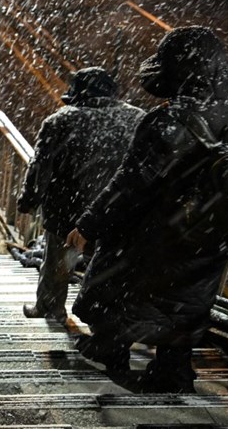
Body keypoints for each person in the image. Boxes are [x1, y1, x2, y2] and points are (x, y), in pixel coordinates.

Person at [66, 27, 228, 393]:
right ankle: (173, 371)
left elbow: (130, 184)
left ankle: (111, 351)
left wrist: (90, 223)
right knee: (185, 301)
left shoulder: (168, 121)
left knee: (119, 286)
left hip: (157, 232)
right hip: (209, 234)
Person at [17, 67, 143, 324]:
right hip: (117, 210)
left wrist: (29, 200)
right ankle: (106, 318)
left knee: (59, 264)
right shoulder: (137, 119)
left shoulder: (60, 121)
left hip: (68, 210)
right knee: (109, 267)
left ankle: (51, 308)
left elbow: (41, 168)